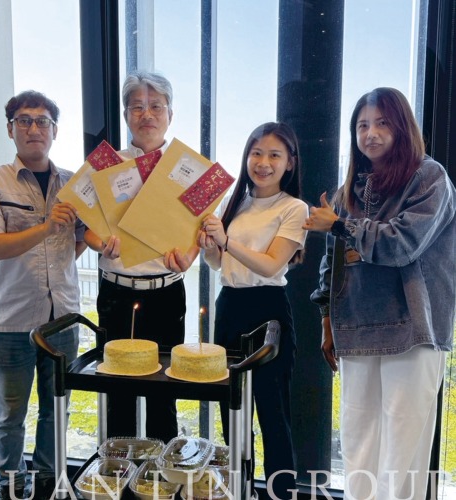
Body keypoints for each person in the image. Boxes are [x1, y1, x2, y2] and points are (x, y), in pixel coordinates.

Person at [304, 87, 456, 499]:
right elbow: (332, 263)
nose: (370, 133)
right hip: (355, 327)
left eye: (382, 123)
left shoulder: (430, 177)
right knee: (357, 444)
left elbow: (403, 244)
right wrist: (326, 320)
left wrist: (340, 225)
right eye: (362, 125)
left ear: (402, 126)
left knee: (402, 453)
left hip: (413, 330)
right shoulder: (347, 192)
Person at [0, 91, 86, 500]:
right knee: (9, 413)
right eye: (24, 120)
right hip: (11, 319)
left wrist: (60, 257)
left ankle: (49, 479)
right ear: (10, 129)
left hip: (63, 317)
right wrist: (46, 228)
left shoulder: (72, 183)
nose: (34, 128)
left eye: (42, 121)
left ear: (55, 130)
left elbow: (81, 237)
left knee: (57, 409)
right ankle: (11, 484)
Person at [84, 71, 197, 443]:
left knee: (164, 393)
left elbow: (199, 228)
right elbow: (87, 229)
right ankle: (120, 473)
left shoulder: (186, 170)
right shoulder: (105, 166)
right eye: (137, 107)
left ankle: (161, 474)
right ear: (126, 115)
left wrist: (189, 257)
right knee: (118, 392)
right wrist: (101, 243)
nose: (146, 114)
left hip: (167, 293)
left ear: (170, 114)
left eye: (156, 106)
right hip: (116, 293)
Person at [198, 122, 308, 496]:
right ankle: (240, 489)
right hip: (230, 304)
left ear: (290, 162)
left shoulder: (294, 208)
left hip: (269, 310)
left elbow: (272, 265)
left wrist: (226, 241)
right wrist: (210, 247)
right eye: (256, 153)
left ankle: (281, 493)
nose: (263, 163)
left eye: (274, 155)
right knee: (233, 414)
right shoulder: (236, 202)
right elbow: (218, 263)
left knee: (273, 416)